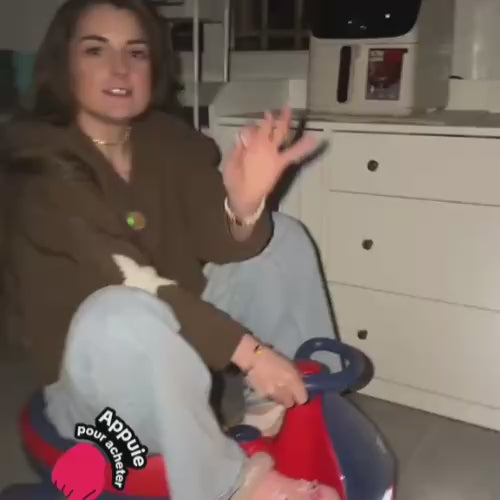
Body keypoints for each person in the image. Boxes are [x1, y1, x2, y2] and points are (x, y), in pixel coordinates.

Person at [0, 0, 341, 499]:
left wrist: (243, 207)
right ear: (63, 63)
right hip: (94, 376)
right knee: (120, 311)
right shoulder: (36, 165)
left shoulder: (167, 142)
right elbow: (122, 276)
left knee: (282, 238)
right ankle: (234, 486)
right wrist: (251, 353)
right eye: (96, 50)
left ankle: (293, 410)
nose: (120, 68)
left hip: (171, 340)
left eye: (136, 52)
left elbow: (216, 240)